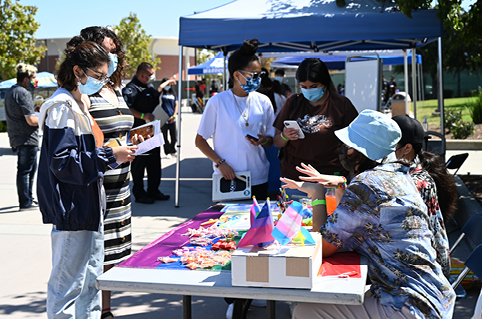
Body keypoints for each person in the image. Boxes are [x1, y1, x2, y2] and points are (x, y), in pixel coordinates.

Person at [283, 110, 455, 319]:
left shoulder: (367, 183)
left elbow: (324, 246)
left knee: (305, 311)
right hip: (432, 295)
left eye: (349, 145)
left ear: (359, 151)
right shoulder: (400, 175)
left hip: (410, 304)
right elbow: (352, 223)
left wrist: (317, 194)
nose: (345, 150)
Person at [37, 40, 137, 319]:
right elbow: (63, 163)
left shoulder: (80, 102)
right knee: (66, 287)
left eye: (105, 77)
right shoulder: (61, 107)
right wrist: (109, 155)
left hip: (90, 205)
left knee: (90, 284)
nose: (102, 82)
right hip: (73, 208)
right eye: (97, 76)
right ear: (78, 71)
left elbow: (84, 152)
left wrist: (113, 151)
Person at [79, 26, 136, 319]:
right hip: (96, 186)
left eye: (114, 51)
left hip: (121, 185)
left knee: (112, 254)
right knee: (92, 256)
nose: (111, 56)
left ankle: (106, 310)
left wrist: (134, 142)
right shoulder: (83, 93)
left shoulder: (116, 88)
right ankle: (91, 311)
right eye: (105, 50)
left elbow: (118, 130)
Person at [195, 38, 276, 201]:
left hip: (259, 177)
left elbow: (271, 139)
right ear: (237, 75)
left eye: (260, 74)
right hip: (228, 177)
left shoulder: (264, 101)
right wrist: (220, 163)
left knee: (257, 224)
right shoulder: (218, 101)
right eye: (254, 74)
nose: (258, 79)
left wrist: (263, 140)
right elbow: (200, 141)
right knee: (229, 225)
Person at [273, 58, 358, 185]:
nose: (308, 90)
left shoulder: (341, 104)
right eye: (303, 87)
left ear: (324, 83)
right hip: (295, 179)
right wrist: (285, 136)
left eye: (314, 87)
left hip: (330, 179)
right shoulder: (293, 102)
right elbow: (277, 142)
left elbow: (356, 143)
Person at [392, 114, 457, 278]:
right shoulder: (412, 170)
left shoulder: (414, 183)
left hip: (423, 275)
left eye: (388, 143)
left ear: (406, 148)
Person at [122, 62, 170, 204]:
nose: (152, 77)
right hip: (138, 133)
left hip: (152, 131)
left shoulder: (148, 86)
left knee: (154, 162)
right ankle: (139, 193)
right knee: (139, 165)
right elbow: (127, 108)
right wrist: (143, 116)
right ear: (142, 75)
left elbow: (155, 96)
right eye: (150, 75)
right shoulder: (131, 89)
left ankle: (154, 190)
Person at [4, 63, 39, 210]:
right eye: (33, 78)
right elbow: (31, 121)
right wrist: (45, 117)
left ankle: (28, 198)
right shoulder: (23, 93)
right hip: (27, 138)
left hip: (17, 137)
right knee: (26, 170)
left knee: (27, 170)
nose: (35, 81)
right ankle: (25, 202)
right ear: (26, 79)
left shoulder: (10, 92)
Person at [159, 77, 178, 159]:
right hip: (163, 118)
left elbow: (176, 105)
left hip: (172, 117)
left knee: (174, 136)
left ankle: (173, 150)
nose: (168, 86)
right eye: (167, 84)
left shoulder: (173, 94)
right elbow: (160, 87)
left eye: (169, 84)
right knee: (165, 136)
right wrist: (169, 81)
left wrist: (174, 115)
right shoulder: (161, 94)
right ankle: (167, 152)